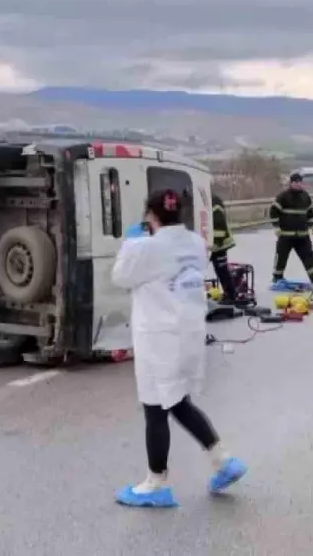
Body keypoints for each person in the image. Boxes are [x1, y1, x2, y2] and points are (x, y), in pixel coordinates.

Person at [111, 189, 248, 508]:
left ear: (150, 215)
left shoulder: (144, 248)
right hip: (188, 334)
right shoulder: (195, 243)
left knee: (155, 407)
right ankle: (223, 461)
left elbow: (120, 277)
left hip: (159, 338)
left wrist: (131, 243)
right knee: (178, 402)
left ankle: (155, 483)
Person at [269, 174, 313, 284]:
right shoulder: (283, 196)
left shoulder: (305, 196)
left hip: (302, 234)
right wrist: (276, 227)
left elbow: (309, 213)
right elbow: (273, 211)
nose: (299, 184)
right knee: (282, 256)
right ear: (291, 183)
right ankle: (277, 276)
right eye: (296, 182)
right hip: (286, 234)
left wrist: (312, 226)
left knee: (308, 255)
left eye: (300, 182)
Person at [209, 193, 239, 304]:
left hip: (219, 243)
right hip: (209, 243)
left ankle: (231, 296)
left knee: (222, 271)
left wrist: (215, 242)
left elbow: (219, 222)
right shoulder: (202, 200)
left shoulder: (214, 201)